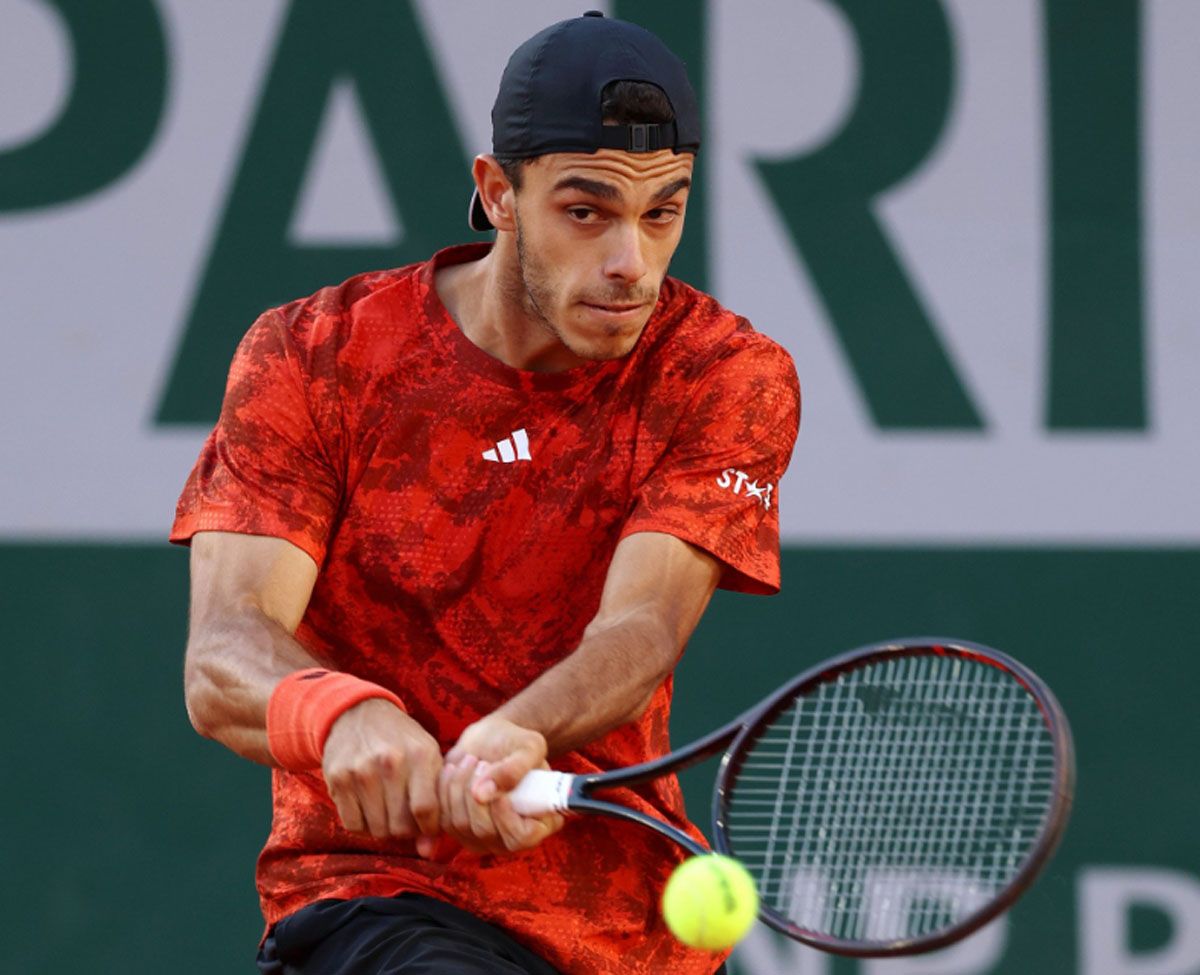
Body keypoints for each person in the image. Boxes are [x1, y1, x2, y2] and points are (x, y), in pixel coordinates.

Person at [171, 11, 799, 975]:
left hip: (627, 925)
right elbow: (222, 655)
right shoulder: (317, 356)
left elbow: (641, 627)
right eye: (585, 212)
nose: (630, 261)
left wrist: (522, 730)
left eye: (662, 211)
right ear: (498, 193)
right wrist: (340, 711)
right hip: (376, 903)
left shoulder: (724, 374)